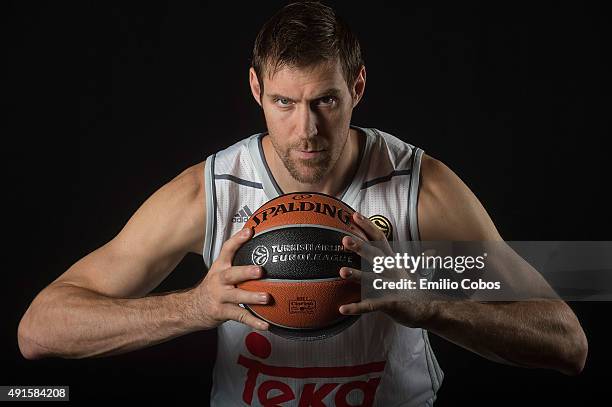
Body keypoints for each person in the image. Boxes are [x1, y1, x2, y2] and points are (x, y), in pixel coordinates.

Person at [18, 2, 587, 406]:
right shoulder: (212, 191)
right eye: (285, 102)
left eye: (326, 101)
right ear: (256, 90)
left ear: (357, 87)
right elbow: (40, 329)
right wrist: (194, 307)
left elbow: (567, 342)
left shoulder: (419, 186)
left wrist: (431, 304)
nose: (306, 130)